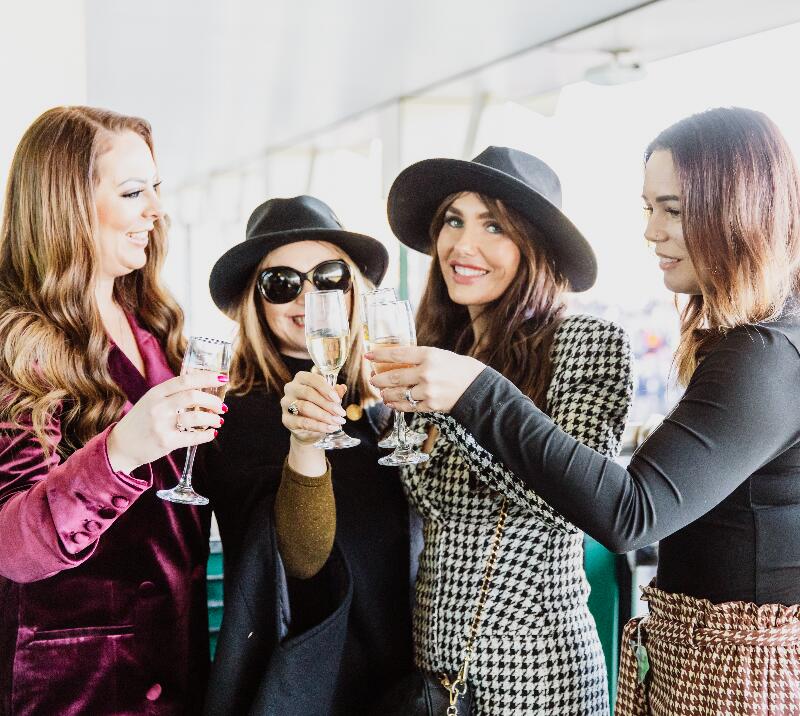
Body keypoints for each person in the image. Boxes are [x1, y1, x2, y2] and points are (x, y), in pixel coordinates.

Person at [371, 108, 800, 714]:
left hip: (696, 668)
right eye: (649, 208)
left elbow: (624, 511)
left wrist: (474, 394)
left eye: (673, 209)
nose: (652, 231)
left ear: (742, 209)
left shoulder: (765, 351)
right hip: (456, 658)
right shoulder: (747, 340)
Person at [281, 147, 634, 714]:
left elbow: (573, 502)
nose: (462, 246)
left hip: (537, 674)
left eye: (493, 225)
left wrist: (466, 400)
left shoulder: (588, 344)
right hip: (434, 675)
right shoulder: (434, 351)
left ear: (534, 245)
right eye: (453, 220)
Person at [0, 107, 225, 715]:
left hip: (175, 665)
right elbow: (12, 545)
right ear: (65, 204)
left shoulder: (153, 328)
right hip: (75, 683)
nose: (156, 210)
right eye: (133, 192)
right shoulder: (15, 344)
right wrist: (122, 451)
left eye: (157, 188)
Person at [199, 195, 415, 716]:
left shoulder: (387, 402)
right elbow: (302, 562)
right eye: (282, 284)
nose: (308, 298)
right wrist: (306, 442)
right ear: (256, 300)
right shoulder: (232, 416)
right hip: (304, 677)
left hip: (403, 666)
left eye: (329, 277)